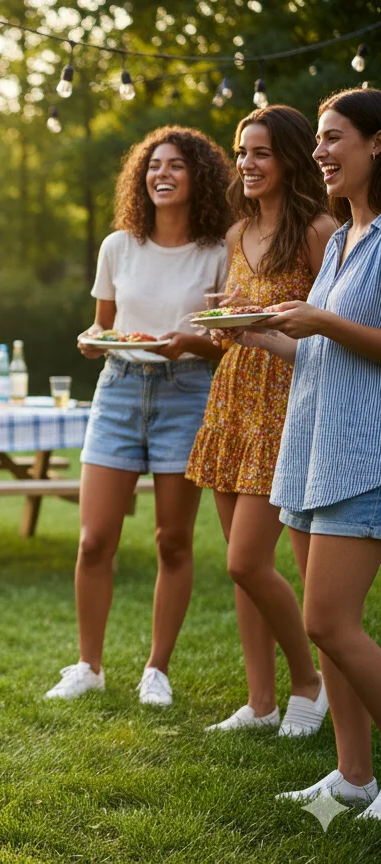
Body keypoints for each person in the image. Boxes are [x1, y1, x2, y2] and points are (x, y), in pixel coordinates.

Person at [46, 127, 232, 707]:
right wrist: (94, 339)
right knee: (94, 538)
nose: (163, 174)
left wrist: (190, 344)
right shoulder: (118, 246)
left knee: (173, 542)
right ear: (141, 177)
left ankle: (157, 668)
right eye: (154, 166)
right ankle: (88, 665)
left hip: (187, 394)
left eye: (177, 166)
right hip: (120, 391)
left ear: (198, 176)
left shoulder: (219, 251)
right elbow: (105, 323)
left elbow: (228, 340)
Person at [235, 88, 381, 819]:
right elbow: (323, 352)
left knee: (329, 623)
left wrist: (319, 317)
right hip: (313, 450)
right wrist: (261, 334)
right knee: (333, 628)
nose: (320, 152)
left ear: (376, 144)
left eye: (333, 138)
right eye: (318, 140)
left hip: (364, 454)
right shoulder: (348, 239)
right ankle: (353, 777)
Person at [186, 106, 337, 736]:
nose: (247, 164)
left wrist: (256, 322)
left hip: (286, 401)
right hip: (233, 396)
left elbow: (325, 338)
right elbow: (240, 327)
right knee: (241, 566)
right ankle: (260, 700)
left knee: (247, 561)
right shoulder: (236, 233)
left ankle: (311, 683)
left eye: (262, 153)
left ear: (292, 159)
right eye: (242, 152)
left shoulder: (321, 231)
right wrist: (226, 319)